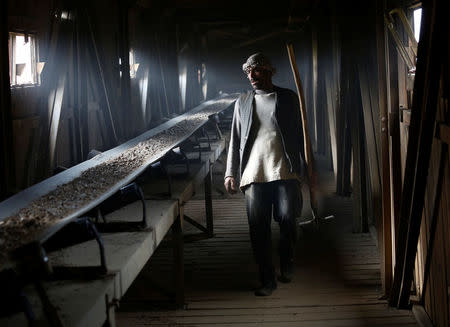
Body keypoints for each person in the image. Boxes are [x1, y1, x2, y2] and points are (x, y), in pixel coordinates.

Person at [224, 53, 306, 296]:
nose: (251, 76)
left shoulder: (289, 98)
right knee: (258, 228)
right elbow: (235, 138)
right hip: (254, 173)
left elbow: (302, 134)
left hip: (285, 170)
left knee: (288, 218)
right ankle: (267, 280)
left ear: (269, 71)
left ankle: (287, 261)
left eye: (256, 71)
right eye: (248, 72)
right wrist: (230, 172)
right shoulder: (243, 102)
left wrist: (309, 168)